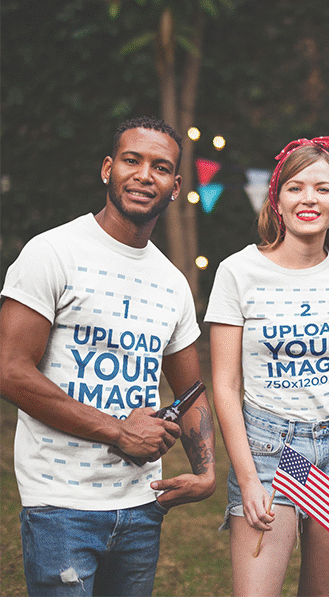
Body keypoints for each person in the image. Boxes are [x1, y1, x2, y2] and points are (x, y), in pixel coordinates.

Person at [0, 115, 216, 597]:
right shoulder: (53, 252)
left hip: (141, 505)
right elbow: (10, 371)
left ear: (176, 186)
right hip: (61, 505)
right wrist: (119, 431)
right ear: (107, 169)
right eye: (131, 160)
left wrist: (206, 472)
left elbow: (192, 391)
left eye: (160, 167)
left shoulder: (172, 283)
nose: (144, 174)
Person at [205, 136, 329, 597]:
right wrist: (247, 478)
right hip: (272, 453)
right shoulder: (238, 272)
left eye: (323, 189)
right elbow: (225, 386)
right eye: (295, 187)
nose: (309, 198)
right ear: (276, 200)